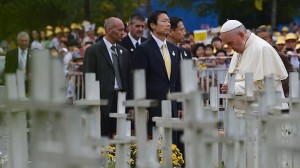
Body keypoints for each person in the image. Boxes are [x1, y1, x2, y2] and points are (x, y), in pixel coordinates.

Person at [220, 20, 288, 168]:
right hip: (242, 116)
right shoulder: (239, 50)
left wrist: (233, 87)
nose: (229, 48)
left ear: (241, 35)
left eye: (230, 43)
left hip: (262, 116)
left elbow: (265, 85)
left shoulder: (262, 49)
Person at [133, 11, 181, 137]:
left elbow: (177, 79)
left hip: (172, 105)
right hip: (153, 105)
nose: (168, 24)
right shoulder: (143, 49)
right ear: (153, 25)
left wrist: (180, 104)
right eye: (164, 21)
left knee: (172, 144)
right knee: (156, 144)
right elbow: (139, 79)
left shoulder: (174, 49)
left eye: (169, 21)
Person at [83, 17, 131, 138]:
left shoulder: (123, 52)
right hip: (102, 102)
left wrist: (130, 104)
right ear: (109, 30)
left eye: (124, 30)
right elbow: (88, 78)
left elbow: (128, 79)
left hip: (121, 100)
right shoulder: (93, 51)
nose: (123, 33)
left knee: (120, 136)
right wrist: (93, 105)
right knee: (103, 136)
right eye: (120, 30)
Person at [255, 27, 293, 97]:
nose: (261, 42)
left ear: (271, 40)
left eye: (264, 39)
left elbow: (290, 76)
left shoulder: (281, 56)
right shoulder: (252, 57)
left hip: (277, 95)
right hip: (258, 97)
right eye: (258, 39)